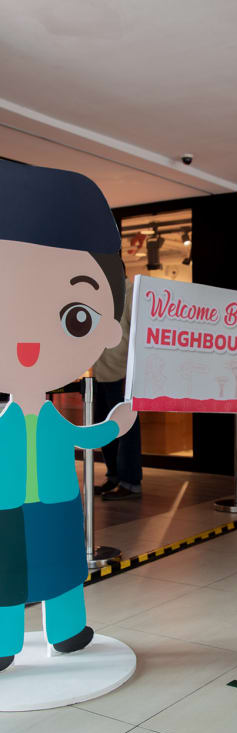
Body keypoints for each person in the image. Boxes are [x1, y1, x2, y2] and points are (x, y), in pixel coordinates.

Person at [0, 159, 136, 670]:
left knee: (60, 567)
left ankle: (68, 630)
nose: (30, 343)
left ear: (107, 327)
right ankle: (4, 642)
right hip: (6, 506)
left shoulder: (54, 419)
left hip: (56, 500)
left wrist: (115, 427)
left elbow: (84, 435)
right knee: (7, 574)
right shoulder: (7, 423)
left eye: (76, 316)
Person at [93, 272, 143, 500]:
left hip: (122, 372)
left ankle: (130, 482)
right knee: (104, 426)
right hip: (100, 371)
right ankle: (113, 475)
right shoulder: (100, 293)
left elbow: (138, 333)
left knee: (127, 428)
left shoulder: (131, 293)